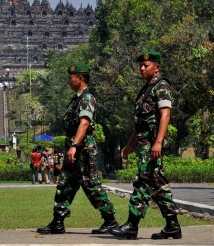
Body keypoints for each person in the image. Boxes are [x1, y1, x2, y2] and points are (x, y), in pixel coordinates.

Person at [37, 63, 118, 235]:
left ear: (80, 78)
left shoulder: (87, 98)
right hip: (74, 148)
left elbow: (84, 123)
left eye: (71, 77)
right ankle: (57, 221)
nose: (68, 80)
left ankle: (110, 220)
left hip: (83, 149)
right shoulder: (77, 99)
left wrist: (74, 145)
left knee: (91, 184)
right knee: (65, 184)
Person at [109, 51, 182, 240]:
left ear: (157, 67)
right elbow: (140, 123)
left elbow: (165, 114)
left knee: (143, 180)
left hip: (151, 144)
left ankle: (132, 225)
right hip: (143, 143)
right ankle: (173, 225)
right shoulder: (145, 90)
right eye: (140, 66)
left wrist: (158, 142)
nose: (142, 68)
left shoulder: (161, 86)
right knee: (158, 184)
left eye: (146, 65)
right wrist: (129, 144)